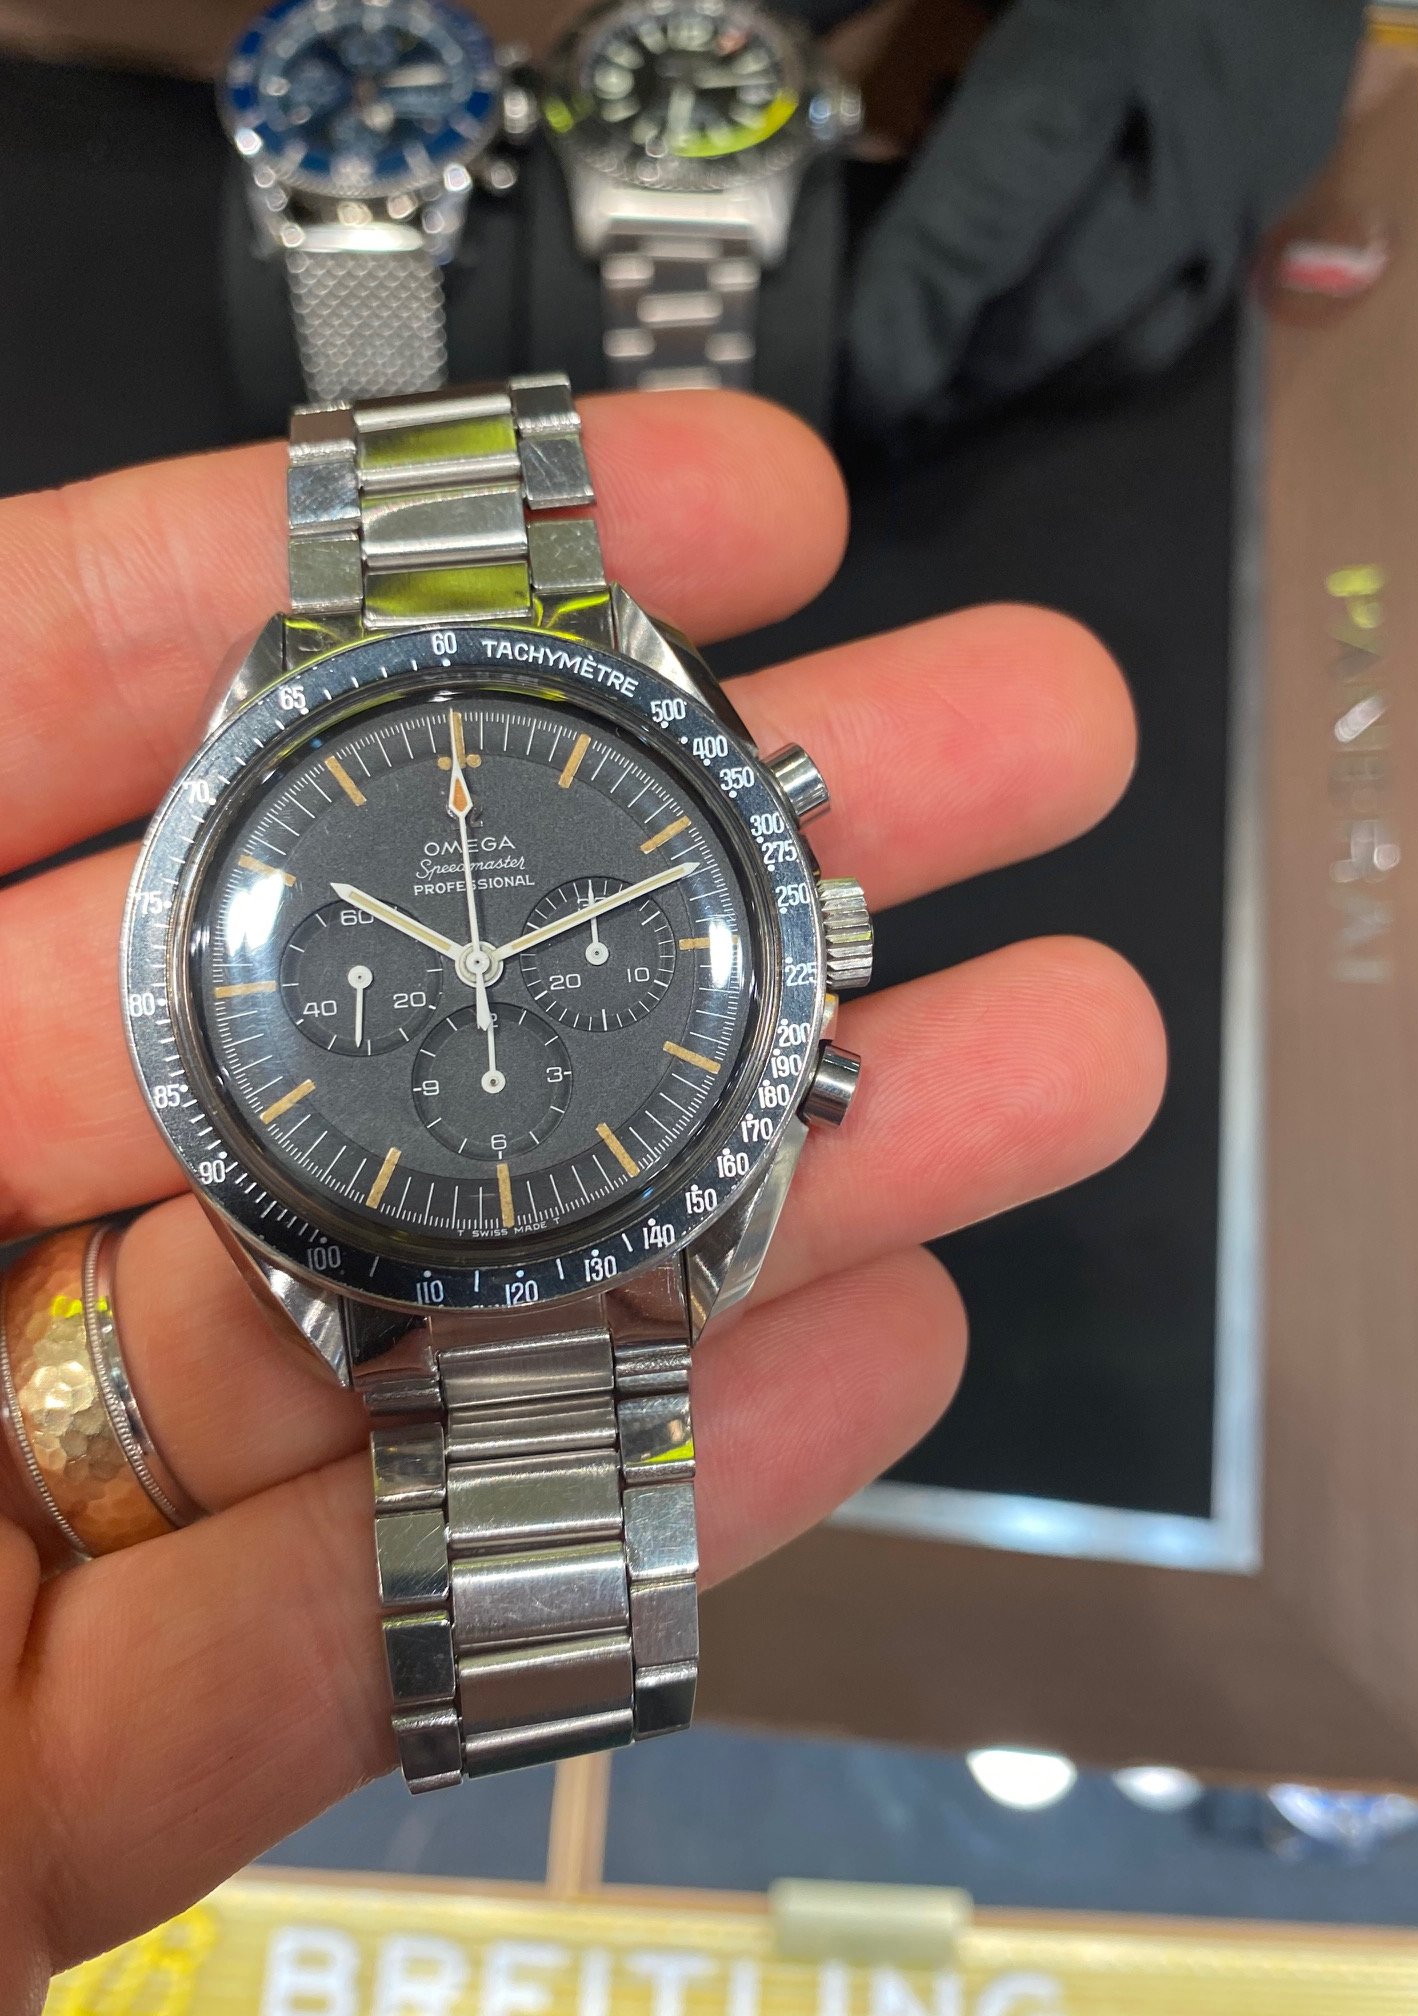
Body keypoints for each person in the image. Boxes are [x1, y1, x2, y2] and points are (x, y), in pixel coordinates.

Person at [0, 390, 1164, 2010]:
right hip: (413, 1245)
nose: (482, 965)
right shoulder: (259, 914)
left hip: (559, 1213)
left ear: (804, 935)